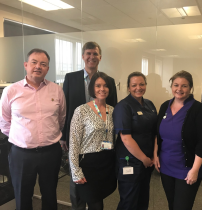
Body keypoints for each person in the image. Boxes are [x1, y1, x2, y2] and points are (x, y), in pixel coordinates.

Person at [0, 48, 66, 210]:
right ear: (26, 65)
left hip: (50, 152)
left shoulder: (56, 90)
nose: (38, 66)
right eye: (34, 62)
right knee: (22, 196)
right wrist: (22, 138)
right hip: (22, 154)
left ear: (47, 69)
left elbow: (61, 118)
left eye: (43, 64)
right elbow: (4, 122)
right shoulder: (11, 91)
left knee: (50, 194)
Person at [60, 41, 117, 210]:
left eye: (95, 54)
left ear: (100, 57)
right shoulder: (71, 78)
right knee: (77, 186)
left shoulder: (108, 81)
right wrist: (64, 135)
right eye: (88, 53)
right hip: (76, 135)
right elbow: (66, 108)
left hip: (99, 140)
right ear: (83, 56)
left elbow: (113, 109)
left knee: (96, 192)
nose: (92, 57)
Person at [153, 70, 202, 210]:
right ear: (171, 86)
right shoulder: (164, 106)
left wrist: (195, 169)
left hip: (187, 168)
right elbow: (157, 134)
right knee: (172, 205)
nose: (179, 89)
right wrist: (155, 155)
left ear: (190, 88)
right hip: (166, 166)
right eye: (176, 85)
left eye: (184, 86)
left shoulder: (199, 109)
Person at [69, 72, 116, 210]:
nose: (102, 89)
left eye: (105, 86)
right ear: (92, 88)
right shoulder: (81, 111)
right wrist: (75, 171)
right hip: (88, 164)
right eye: (98, 85)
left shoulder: (113, 110)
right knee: (95, 203)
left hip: (106, 162)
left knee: (99, 199)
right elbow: (73, 142)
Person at [113, 72, 157, 210]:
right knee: (129, 201)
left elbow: (155, 133)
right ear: (128, 88)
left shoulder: (149, 104)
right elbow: (125, 138)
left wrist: (154, 156)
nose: (138, 88)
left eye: (141, 84)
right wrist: (144, 158)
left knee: (143, 199)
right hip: (130, 161)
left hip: (147, 161)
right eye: (134, 85)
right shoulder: (123, 106)